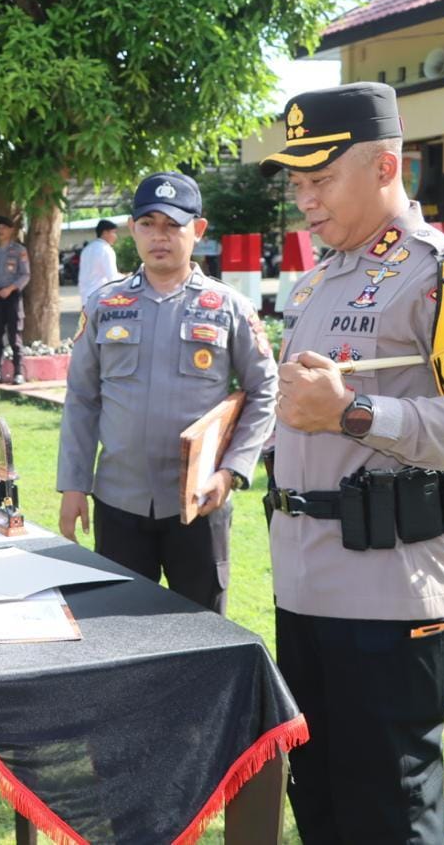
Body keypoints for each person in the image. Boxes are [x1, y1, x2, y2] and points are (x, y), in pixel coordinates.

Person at [259, 82, 444, 842]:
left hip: (390, 597)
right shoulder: (319, 279)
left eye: (320, 179)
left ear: (385, 167)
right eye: (297, 183)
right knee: (320, 805)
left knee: (389, 816)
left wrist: (354, 412)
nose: (305, 200)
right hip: (304, 589)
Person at [56, 172, 277, 614]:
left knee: (201, 629)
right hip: (119, 501)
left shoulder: (228, 306)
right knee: (118, 627)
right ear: (133, 229)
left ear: (198, 230)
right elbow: (82, 397)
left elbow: (264, 390)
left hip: (199, 502)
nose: (159, 236)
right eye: (148, 224)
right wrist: (74, 485)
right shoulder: (105, 304)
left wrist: (231, 471)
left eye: (173, 225)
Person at [0, 215, 30, 384]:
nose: (0, 231)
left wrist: (10, 288)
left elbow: (25, 274)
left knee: (14, 335)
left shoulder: (19, 251)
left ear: (11, 230)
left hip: (12, 296)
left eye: (3, 228)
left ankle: (18, 372)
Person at [76, 219, 122, 307]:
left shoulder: (87, 249)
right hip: (101, 300)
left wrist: (123, 275)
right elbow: (113, 278)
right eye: (113, 232)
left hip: (85, 300)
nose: (115, 236)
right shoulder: (106, 250)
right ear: (105, 233)